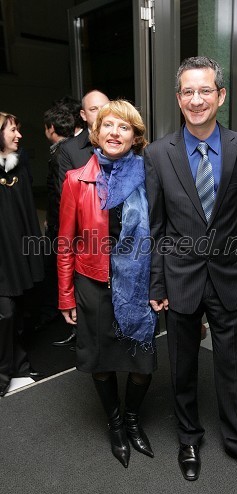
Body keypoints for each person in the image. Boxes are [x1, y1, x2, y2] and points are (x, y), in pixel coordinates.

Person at [144, 56, 237, 487]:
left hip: (226, 277)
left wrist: (218, 241)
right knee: (181, 366)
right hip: (179, 278)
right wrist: (158, 281)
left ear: (220, 95)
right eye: (188, 92)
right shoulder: (157, 154)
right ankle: (188, 439)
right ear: (179, 98)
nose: (196, 99)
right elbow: (157, 226)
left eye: (205, 90)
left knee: (231, 365)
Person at [57, 99, 157, 468]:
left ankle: (132, 418)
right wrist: (65, 295)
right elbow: (65, 243)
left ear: (135, 136)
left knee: (142, 364)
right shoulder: (75, 180)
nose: (115, 133)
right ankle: (116, 425)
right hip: (93, 284)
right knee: (101, 361)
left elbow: (160, 234)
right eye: (109, 126)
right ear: (97, 134)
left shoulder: (149, 176)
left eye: (125, 127)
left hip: (137, 284)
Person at [52, 89, 109, 347]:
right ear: (84, 115)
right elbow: (67, 208)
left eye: (106, 107)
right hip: (88, 256)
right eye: (94, 109)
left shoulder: (128, 148)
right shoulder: (70, 150)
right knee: (95, 347)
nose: (101, 113)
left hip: (122, 257)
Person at [0, 111, 44, 397]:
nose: (19, 135)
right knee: (5, 313)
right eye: (12, 130)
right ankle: (5, 373)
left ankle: (18, 365)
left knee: (14, 313)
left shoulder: (16, 169)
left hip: (14, 256)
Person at [34, 105, 76, 331]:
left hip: (65, 228)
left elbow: (62, 195)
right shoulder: (74, 148)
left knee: (57, 270)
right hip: (64, 225)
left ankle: (62, 319)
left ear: (51, 128)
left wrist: (57, 224)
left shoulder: (61, 154)